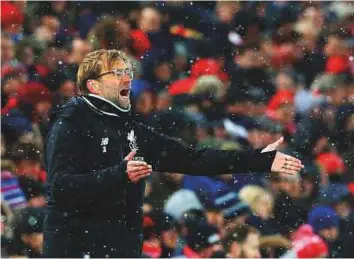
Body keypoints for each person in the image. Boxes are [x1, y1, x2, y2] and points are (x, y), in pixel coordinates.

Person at [43, 49, 303, 257]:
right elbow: (61, 187)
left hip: (119, 248)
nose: (127, 78)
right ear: (94, 86)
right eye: (117, 72)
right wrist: (118, 175)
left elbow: (194, 159)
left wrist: (258, 159)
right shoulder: (70, 124)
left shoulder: (132, 131)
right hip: (77, 247)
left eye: (128, 71)